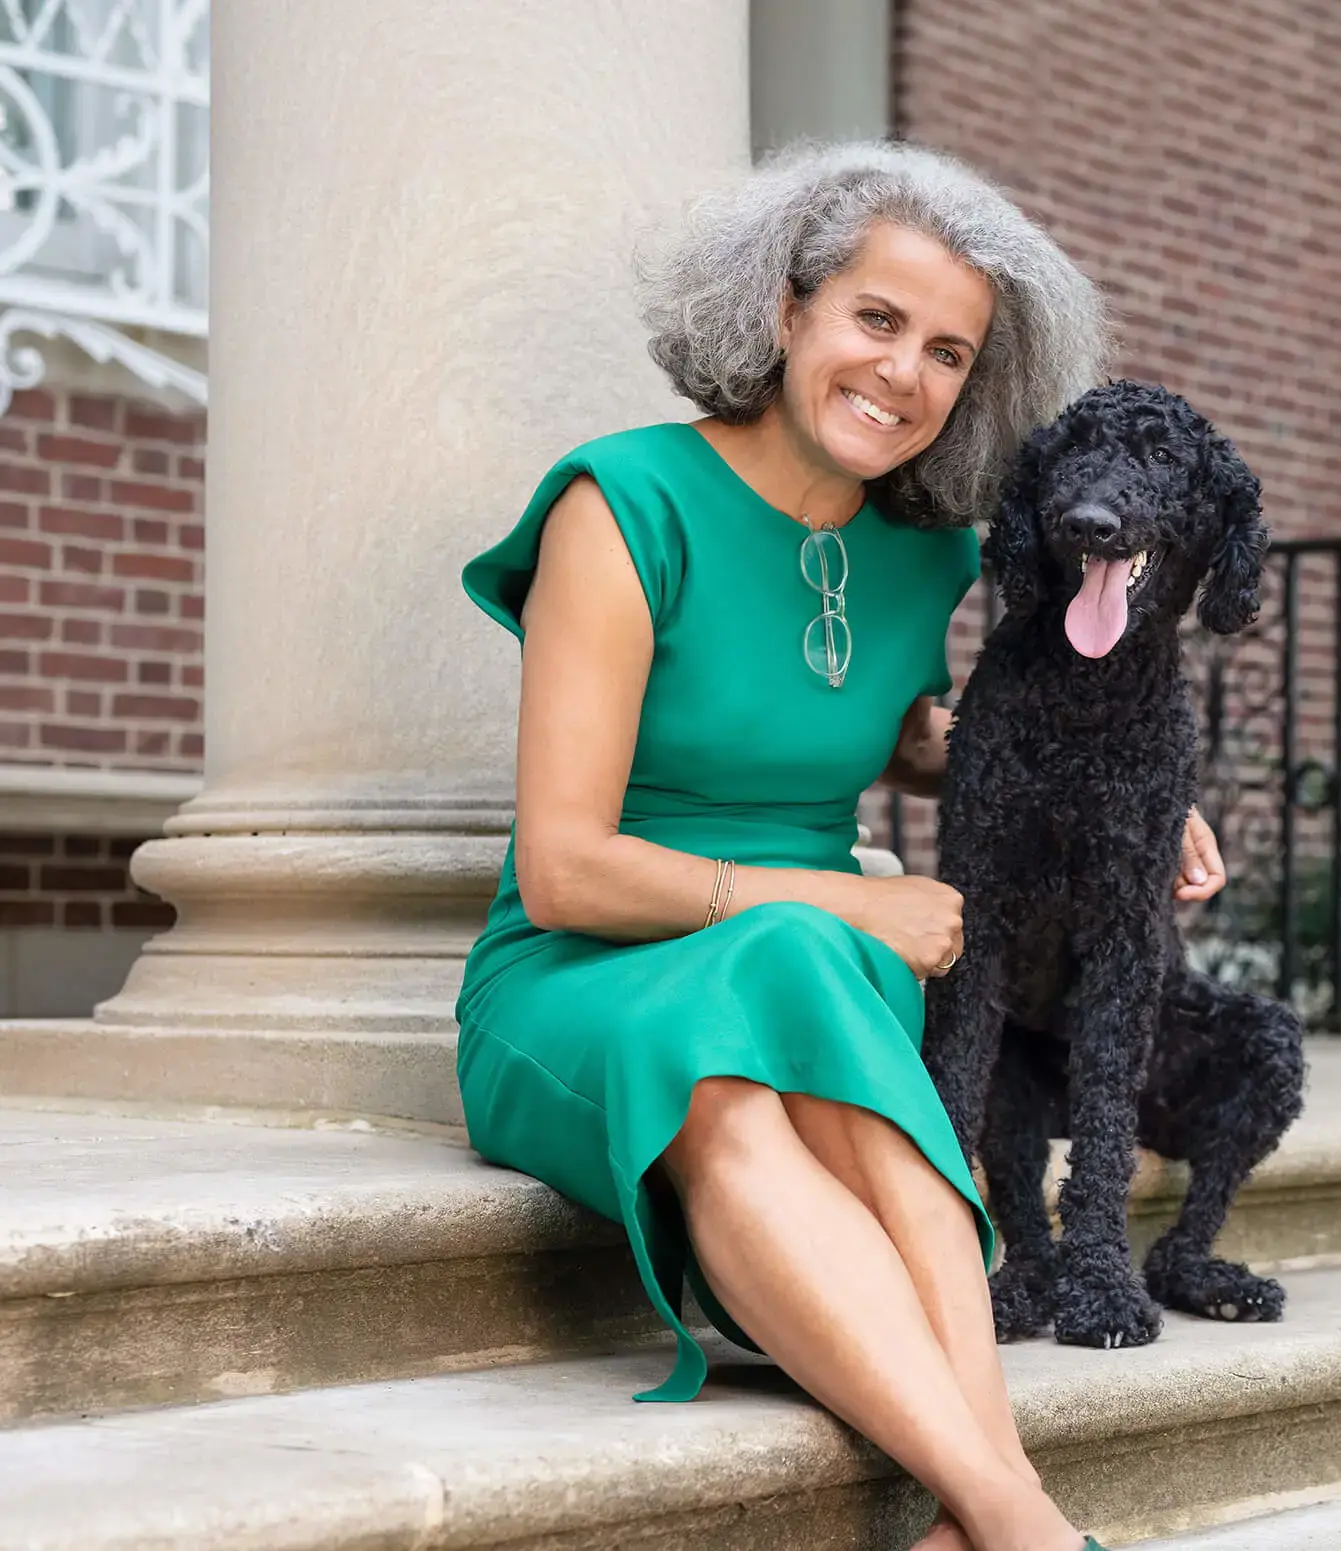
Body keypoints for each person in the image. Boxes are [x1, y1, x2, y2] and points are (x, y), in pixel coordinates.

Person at [454, 141, 1223, 1551]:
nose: (905, 373)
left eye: (948, 350)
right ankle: (1019, 1514)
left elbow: (926, 736)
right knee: (744, 1083)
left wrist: (1130, 783)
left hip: (819, 969)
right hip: (593, 968)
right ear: (783, 311)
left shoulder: (937, 556)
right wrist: (836, 899)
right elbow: (563, 866)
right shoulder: (622, 508)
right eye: (875, 319)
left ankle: (978, 1523)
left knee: (849, 1068)